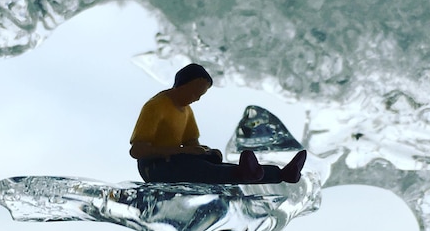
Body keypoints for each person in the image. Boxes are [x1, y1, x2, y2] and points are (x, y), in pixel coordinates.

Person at [129, 63, 306, 184]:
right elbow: (137, 151)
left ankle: (282, 174)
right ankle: (246, 173)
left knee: (213, 162)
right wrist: (183, 151)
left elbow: (192, 144)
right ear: (182, 85)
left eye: (200, 95)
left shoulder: (187, 111)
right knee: (207, 171)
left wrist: (204, 151)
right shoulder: (155, 107)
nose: (197, 99)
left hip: (177, 160)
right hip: (154, 168)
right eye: (195, 93)